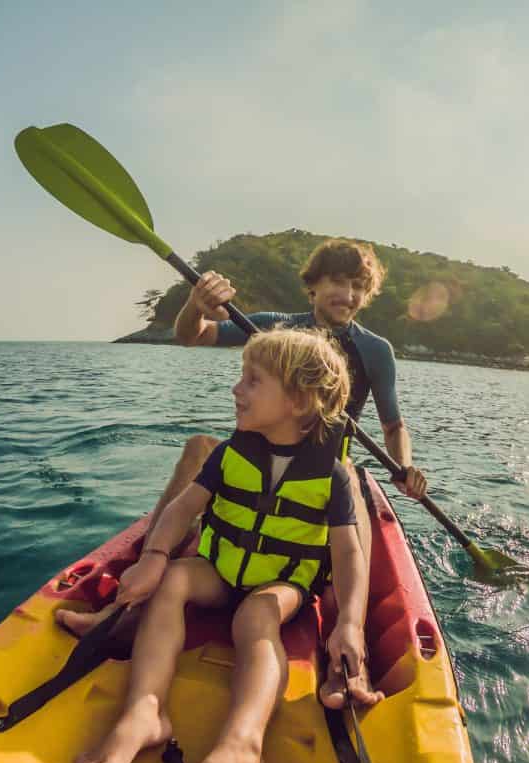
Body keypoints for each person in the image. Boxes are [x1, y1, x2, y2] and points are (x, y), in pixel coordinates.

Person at [58, 238, 428, 708]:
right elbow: (194, 335)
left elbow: (393, 425)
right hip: (262, 457)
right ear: (313, 287)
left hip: (323, 470)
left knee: (355, 484)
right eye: (337, 281)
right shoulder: (272, 329)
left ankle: (349, 659)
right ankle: (129, 602)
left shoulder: (375, 351)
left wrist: (405, 465)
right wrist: (196, 304)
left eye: (358, 287)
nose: (347, 295)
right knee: (200, 447)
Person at [73, 329, 379, 763]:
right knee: (173, 581)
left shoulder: (333, 476)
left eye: (253, 381)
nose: (237, 389)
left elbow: (348, 555)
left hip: (278, 584)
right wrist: (153, 555)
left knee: (256, 615)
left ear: (299, 400)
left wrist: (350, 622)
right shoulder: (231, 454)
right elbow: (182, 510)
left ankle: (241, 747)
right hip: (218, 568)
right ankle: (145, 711)